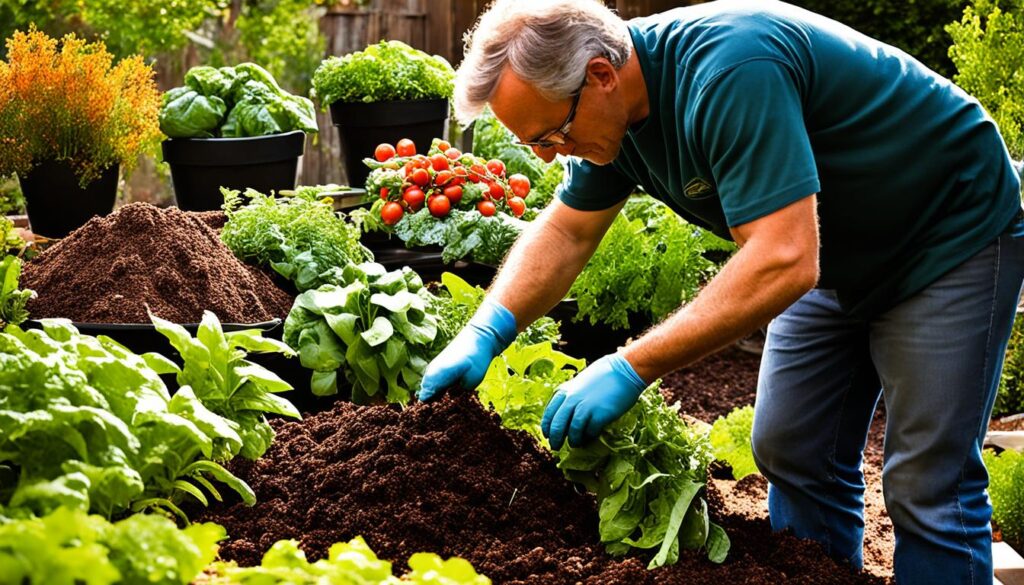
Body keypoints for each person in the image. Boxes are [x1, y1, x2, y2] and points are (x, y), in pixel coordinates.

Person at [417, 0, 1024, 582]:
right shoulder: (607, 110)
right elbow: (567, 231)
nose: (554, 155)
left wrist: (631, 366)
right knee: (793, 449)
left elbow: (784, 258)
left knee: (928, 483)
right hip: (825, 245)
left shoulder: (731, 71)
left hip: (947, 232)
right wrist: (485, 329)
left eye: (551, 135)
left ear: (600, 75)